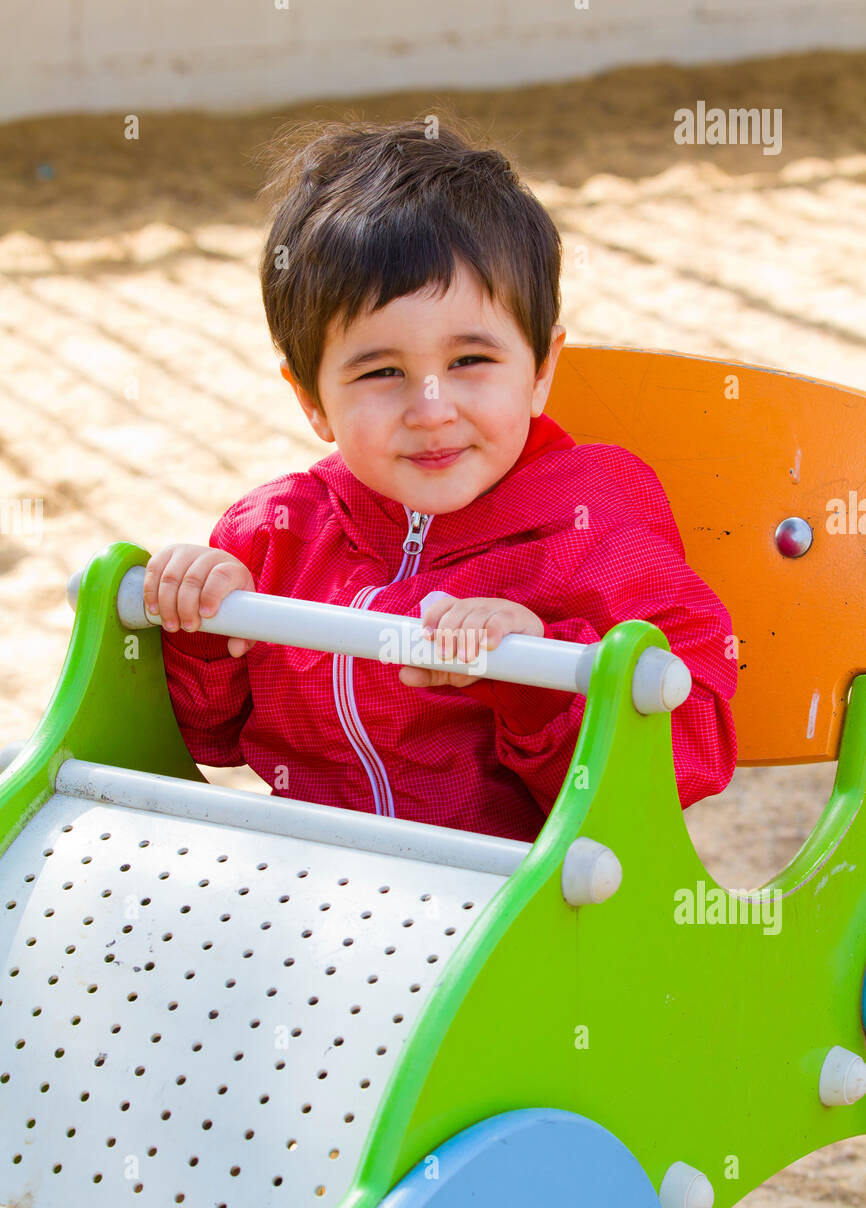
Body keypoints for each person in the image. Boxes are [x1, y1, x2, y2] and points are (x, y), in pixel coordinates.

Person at [146, 116, 737, 843]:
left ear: (541, 369)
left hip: (526, 908)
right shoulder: (275, 535)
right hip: (321, 900)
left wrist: (539, 675)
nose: (431, 410)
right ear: (311, 400)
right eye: (381, 371)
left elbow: (693, 750)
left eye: (470, 362)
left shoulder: (593, 524)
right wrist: (195, 626)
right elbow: (207, 737)